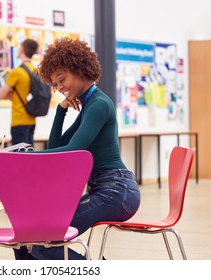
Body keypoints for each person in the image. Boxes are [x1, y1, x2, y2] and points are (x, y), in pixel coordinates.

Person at [16, 37, 141, 260]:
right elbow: (58, 148)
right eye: (55, 85)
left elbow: (72, 150)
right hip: (106, 190)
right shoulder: (89, 105)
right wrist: (60, 110)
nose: (59, 88)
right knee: (30, 237)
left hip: (117, 191)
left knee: (44, 240)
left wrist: (26, 158)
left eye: (62, 80)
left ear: (79, 68)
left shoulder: (99, 105)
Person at [0, 39, 39, 145]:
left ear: (22, 49)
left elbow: (1, 95)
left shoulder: (17, 72)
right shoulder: (35, 71)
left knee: (20, 159)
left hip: (19, 121)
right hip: (32, 120)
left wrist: (10, 95)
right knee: (30, 156)